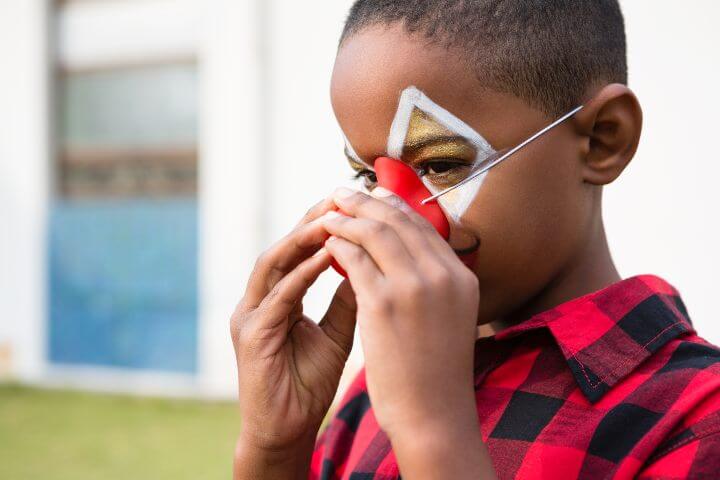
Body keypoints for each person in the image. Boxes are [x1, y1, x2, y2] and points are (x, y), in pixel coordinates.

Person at [231, 1, 720, 478]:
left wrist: (431, 430)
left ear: (602, 139)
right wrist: (275, 448)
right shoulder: (378, 390)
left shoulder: (697, 419)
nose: (392, 215)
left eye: (441, 165)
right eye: (367, 175)